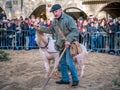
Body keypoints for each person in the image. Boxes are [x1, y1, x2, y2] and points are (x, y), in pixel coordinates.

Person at [36, 4, 79, 87]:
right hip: (60, 45)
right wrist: (40, 28)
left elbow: (75, 31)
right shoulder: (55, 21)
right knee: (62, 63)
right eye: (53, 12)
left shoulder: (68, 19)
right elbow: (51, 30)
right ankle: (65, 79)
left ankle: (75, 79)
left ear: (60, 10)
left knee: (69, 62)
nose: (54, 13)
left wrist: (68, 40)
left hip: (68, 45)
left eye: (56, 11)